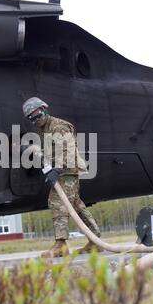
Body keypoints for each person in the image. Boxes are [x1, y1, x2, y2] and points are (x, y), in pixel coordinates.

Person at [22, 97, 101, 258]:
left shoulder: (59, 127)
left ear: (44, 109)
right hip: (62, 171)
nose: (36, 120)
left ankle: (61, 245)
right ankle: (95, 240)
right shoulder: (44, 129)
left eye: (38, 115)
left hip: (67, 170)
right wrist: (31, 149)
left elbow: (67, 150)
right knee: (77, 206)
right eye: (32, 118)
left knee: (56, 201)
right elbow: (50, 151)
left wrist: (56, 169)